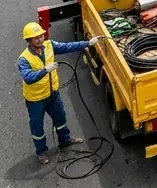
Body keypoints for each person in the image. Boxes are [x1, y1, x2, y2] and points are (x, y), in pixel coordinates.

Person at [18, 21, 105, 165]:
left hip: (52, 93)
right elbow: (28, 78)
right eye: (36, 37)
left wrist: (88, 43)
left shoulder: (49, 45)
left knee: (60, 117)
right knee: (37, 126)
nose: (40, 39)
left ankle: (65, 140)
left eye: (41, 35)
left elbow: (67, 46)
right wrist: (45, 69)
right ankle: (41, 152)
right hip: (35, 99)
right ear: (29, 40)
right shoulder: (24, 59)